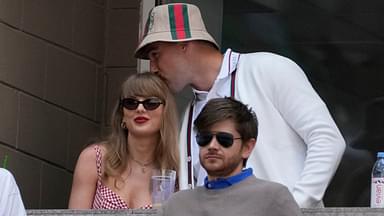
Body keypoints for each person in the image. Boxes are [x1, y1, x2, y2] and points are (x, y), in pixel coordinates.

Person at [134, 3, 346, 208]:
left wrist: (295, 205)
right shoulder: (189, 114)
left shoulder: (268, 68)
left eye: (156, 55)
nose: (152, 68)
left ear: (184, 44)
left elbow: (327, 139)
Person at [159, 98, 302, 216]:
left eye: (224, 139)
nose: (212, 145)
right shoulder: (176, 205)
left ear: (247, 147)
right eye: (205, 138)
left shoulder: (273, 197)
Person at [68, 72, 179, 209]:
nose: (140, 109)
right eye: (131, 103)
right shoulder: (95, 158)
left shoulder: (177, 173)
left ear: (165, 113)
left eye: (151, 103)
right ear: (122, 116)